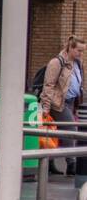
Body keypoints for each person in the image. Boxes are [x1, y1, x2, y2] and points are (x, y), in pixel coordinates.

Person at [38, 34, 85, 177]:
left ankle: (50, 163)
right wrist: (46, 107)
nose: (81, 54)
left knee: (54, 132)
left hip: (71, 102)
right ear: (70, 48)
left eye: (83, 51)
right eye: (79, 51)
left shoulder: (77, 63)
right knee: (71, 128)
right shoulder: (57, 62)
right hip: (57, 103)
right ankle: (71, 163)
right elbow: (49, 85)